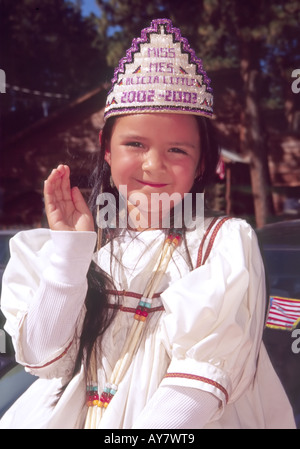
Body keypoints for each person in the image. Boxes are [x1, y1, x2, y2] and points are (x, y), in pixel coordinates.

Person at [0, 18, 295, 429]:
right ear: (106, 149)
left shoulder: (220, 244)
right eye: (135, 144)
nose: (153, 166)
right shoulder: (87, 243)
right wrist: (70, 254)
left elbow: (199, 383)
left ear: (201, 165)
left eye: (177, 150)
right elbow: (43, 358)